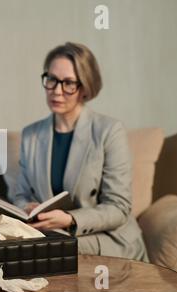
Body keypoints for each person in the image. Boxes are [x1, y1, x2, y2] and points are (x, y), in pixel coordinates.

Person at [14, 42, 148, 261]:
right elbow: (20, 195)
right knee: (11, 242)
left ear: (85, 88)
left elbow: (119, 208)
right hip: (51, 234)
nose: (56, 91)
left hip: (105, 238)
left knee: (45, 248)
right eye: (51, 80)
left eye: (68, 83)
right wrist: (28, 207)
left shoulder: (109, 131)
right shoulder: (31, 135)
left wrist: (69, 218)